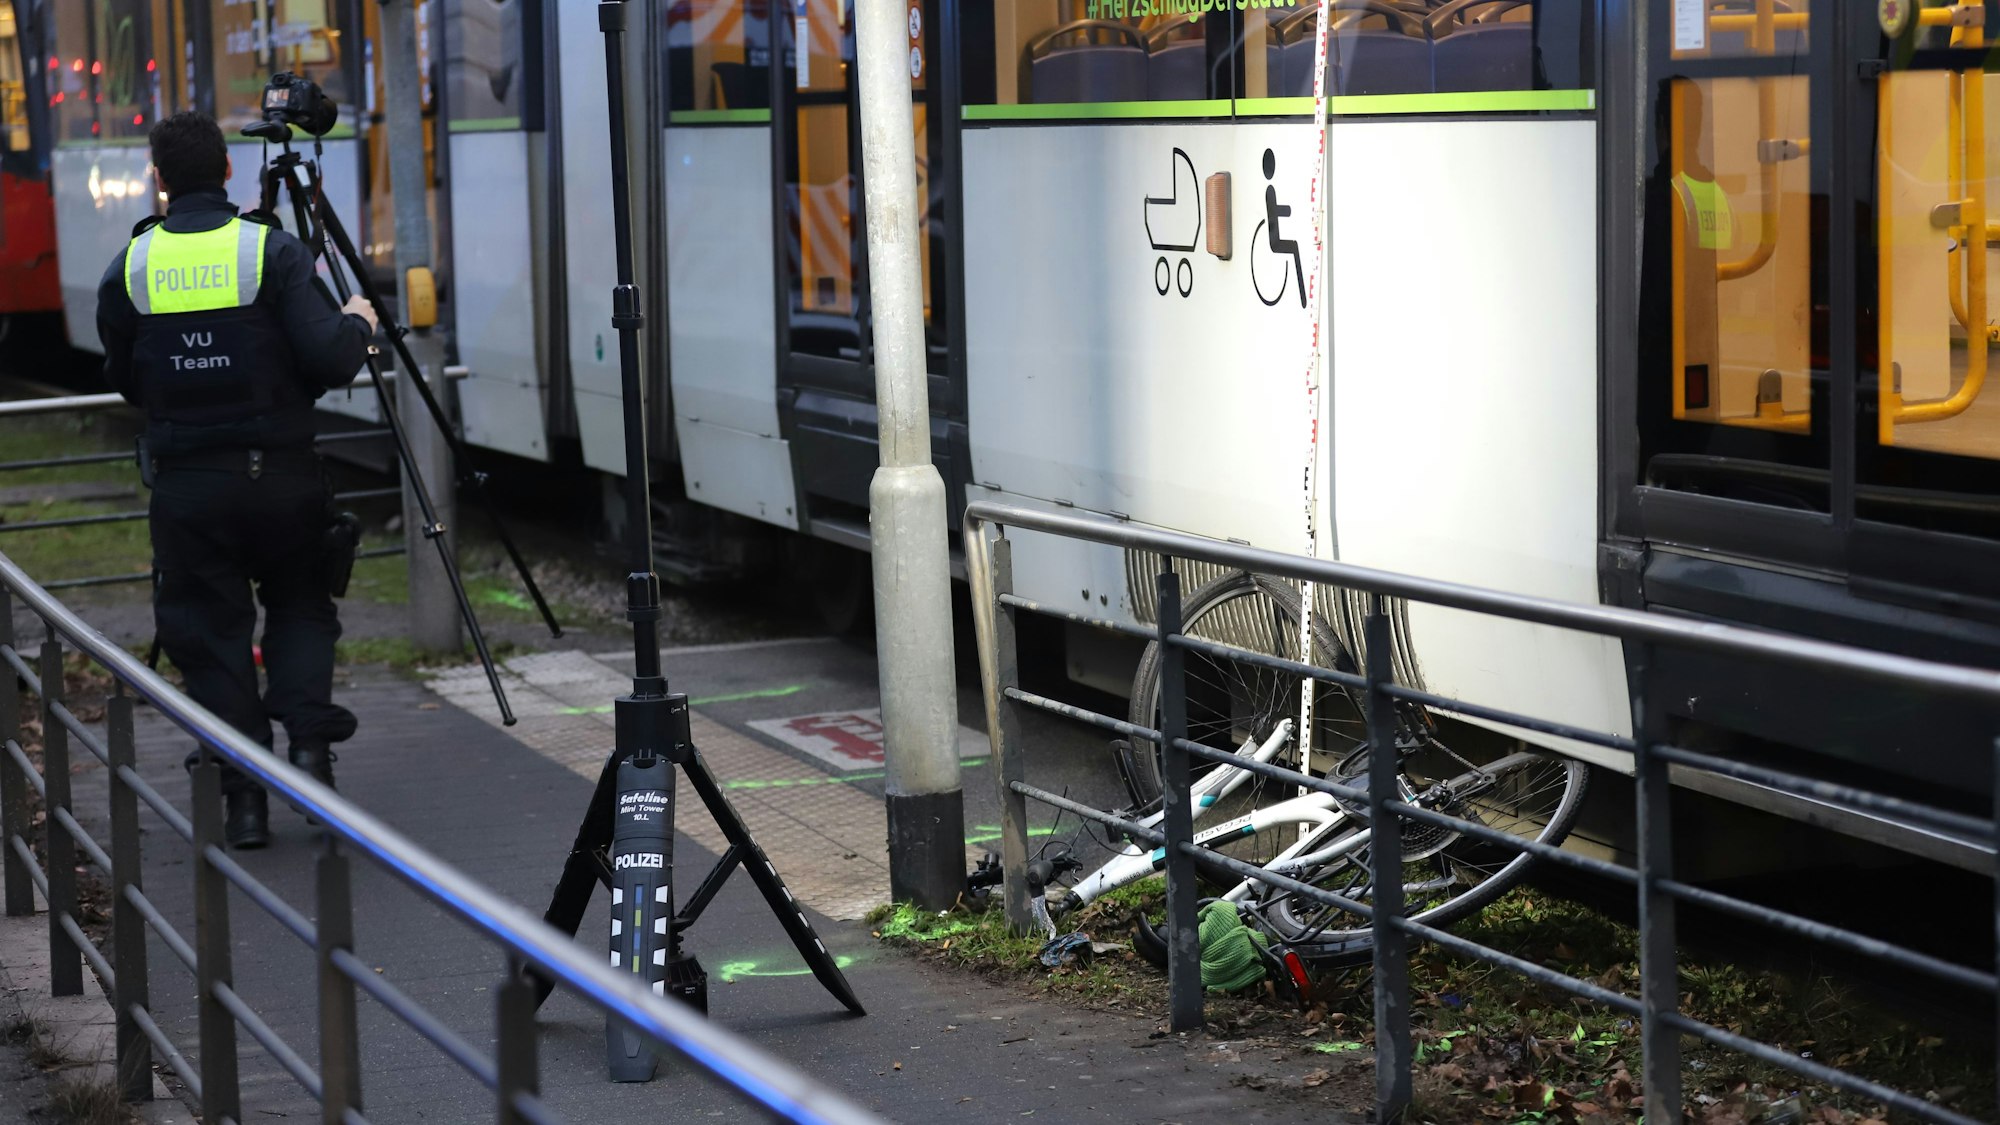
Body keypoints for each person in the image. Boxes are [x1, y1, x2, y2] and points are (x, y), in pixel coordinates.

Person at [95, 111, 377, 849]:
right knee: (301, 603)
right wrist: (358, 321)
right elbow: (329, 360)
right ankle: (312, 760)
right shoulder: (272, 251)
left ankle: (244, 802)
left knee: (211, 636)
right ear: (227, 171)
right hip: (281, 478)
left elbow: (126, 379)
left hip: (188, 490)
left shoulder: (132, 266)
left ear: (158, 181)